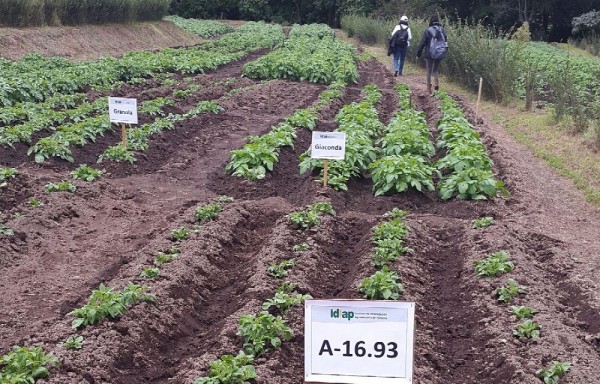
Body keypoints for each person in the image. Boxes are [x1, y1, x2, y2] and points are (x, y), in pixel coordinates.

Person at [416, 15, 448, 94]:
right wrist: (444, 51)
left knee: (428, 71)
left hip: (429, 53)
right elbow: (446, 42)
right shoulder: (442, 30)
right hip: (439, 53)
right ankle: (436, 84)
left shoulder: (428, 30)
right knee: (435, 70)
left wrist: (418, 53)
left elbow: (422, 43)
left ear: (431, 21)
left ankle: (428, 89)